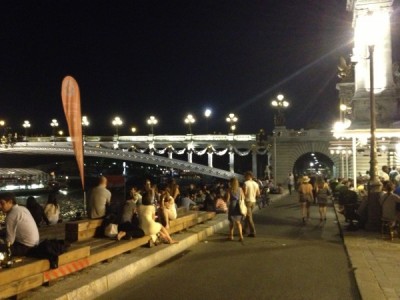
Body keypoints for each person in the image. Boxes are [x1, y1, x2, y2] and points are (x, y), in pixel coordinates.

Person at [226, 177, 244, 242]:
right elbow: (243, 197)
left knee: (231, 222)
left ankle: (231, 236)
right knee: (238, 222)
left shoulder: (229, 190)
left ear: (231, 183)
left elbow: (227, 199)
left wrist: (227, 205)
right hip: (238, 206)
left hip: (232, 206)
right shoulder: (240, 189)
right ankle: (241, 236)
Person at [242, 171, 260, 237]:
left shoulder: (245, 183)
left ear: (248, 176)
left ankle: (253, 232)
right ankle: (244, 229)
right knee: (248, 216)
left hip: (247, 201)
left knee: (249, 217)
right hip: (253, 201)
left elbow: (244, 193)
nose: (244, 177)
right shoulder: (256, 184)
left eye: (245, 176)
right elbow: (258, 194)